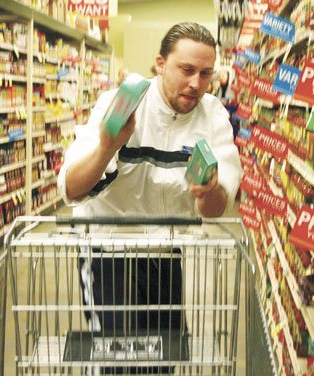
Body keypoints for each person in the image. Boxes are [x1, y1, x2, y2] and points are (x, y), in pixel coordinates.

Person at [58, 22, 242, 373]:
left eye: (205, 74)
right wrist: (107, 147)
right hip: (108, 252)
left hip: (166, 250)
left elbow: (218, 208)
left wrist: (208, 191)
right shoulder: (120, 104)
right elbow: (71, 187)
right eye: (186, 70)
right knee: (119, 359)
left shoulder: (213, 115)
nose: (196, 83)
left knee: (165, 355)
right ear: (160, 63)